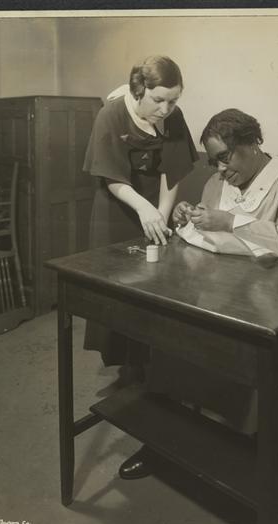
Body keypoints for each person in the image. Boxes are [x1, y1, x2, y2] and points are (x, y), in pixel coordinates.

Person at [124, 108, 278, 479]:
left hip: (275, 301)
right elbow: (207, 233)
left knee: (247, 348)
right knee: (171, 328)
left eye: (225, 157)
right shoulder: (218, 183)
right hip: (219, 289)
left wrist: (232, 221)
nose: (219, 168)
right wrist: (188, 215)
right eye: (213, 161)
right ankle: (164, 438)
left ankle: (251, 453)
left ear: (252, 143)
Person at [82, 55, 198, 478]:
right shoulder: (111, 115)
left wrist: (161, 217)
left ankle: (153, 367)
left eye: (174, 100)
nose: (166, 109)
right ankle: (128, 371)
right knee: (120, 286)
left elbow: (173, 173)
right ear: (138, 90)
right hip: (119, 205)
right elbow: (111, 177)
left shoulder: (173, 116)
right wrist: (144, 210)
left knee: (157, 281)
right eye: (159, 100)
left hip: (154, 205)